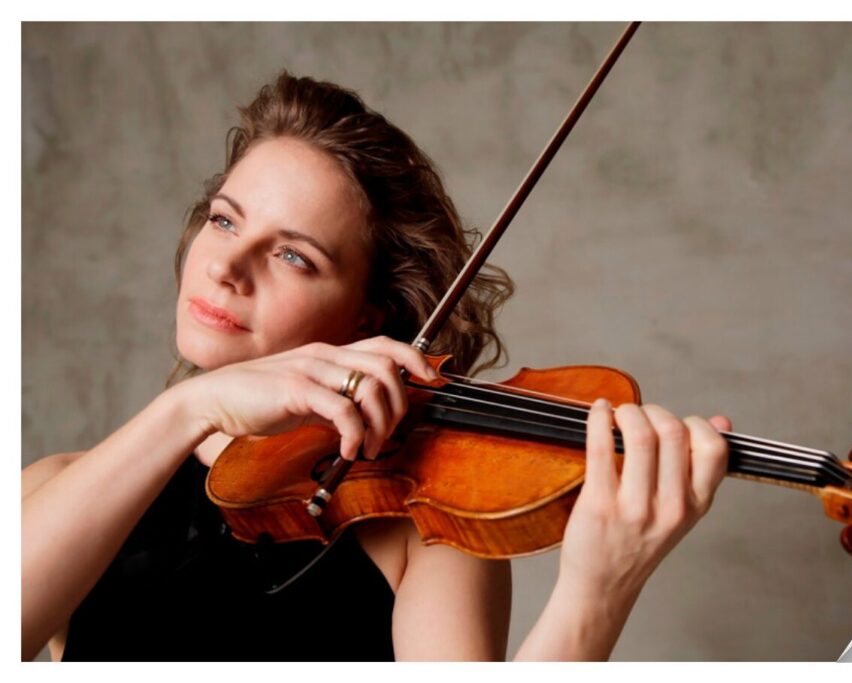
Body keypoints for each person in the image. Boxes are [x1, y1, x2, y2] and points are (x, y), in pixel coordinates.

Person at [21, 71, 732, 661]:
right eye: (225, 219)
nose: (227, 266)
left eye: (292, 255)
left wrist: (595, 596)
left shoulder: (424, 530)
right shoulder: (55, 488)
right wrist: (189, 407)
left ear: (367, 319)